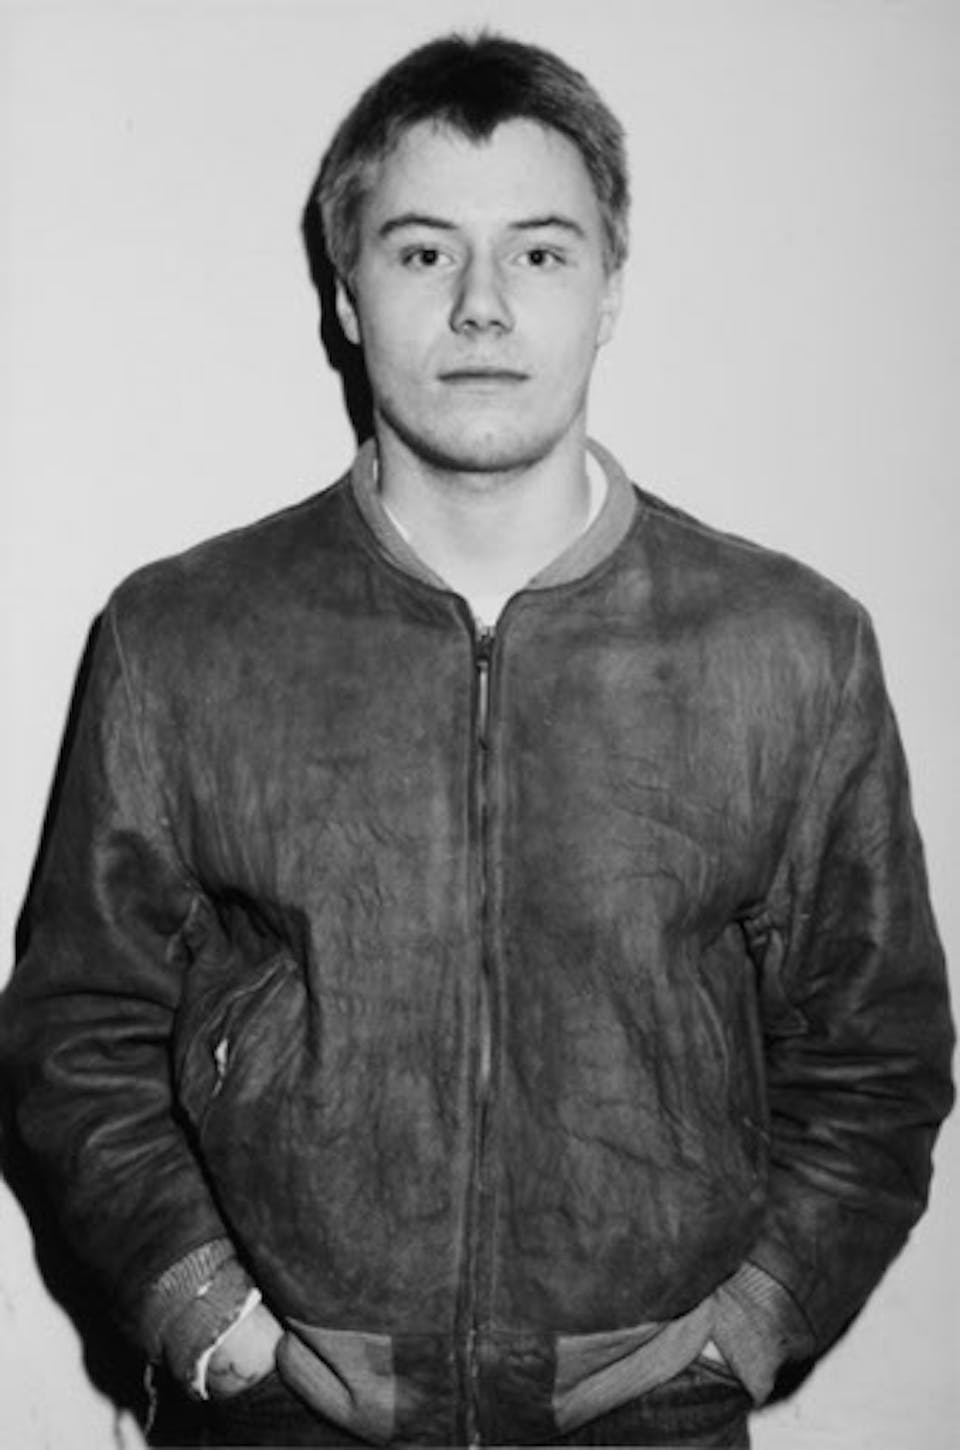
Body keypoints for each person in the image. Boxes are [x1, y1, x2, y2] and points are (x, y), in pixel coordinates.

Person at [0, 31, 953, 1450]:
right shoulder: (181, 636)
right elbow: (77, 1028)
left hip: (649, 1421)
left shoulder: (789, 645)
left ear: (610, 289)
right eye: (425, 251)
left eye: (541, 253)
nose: (484, 305)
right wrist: (204, 1313)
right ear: (347, 292)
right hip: (287, 1421)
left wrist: (749, 1324)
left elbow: (877, 1051)